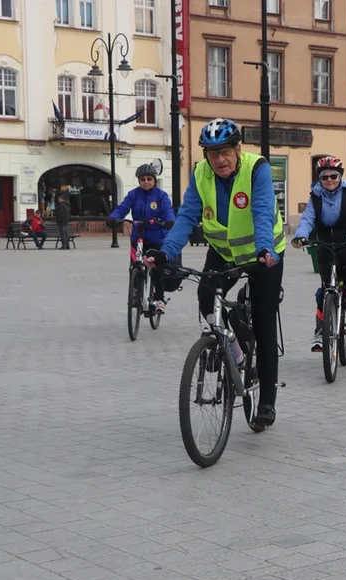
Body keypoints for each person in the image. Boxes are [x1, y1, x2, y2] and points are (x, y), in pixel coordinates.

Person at [151, 118, 285, 430]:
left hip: (262, 254)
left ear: (238, 149)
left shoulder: (257, 168)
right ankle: (235, 352)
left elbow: (263, 211)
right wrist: (166, 252)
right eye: (212, 154)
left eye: (224, 151)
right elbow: (186, 216)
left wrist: (266, 249)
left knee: (264, 323)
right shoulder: (200, 173)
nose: (219, 159)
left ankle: (266, 401)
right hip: (224, 252)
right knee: (205, 296)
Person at [291, 156, 346, 352]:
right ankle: (320, 331)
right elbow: (308, 219)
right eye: (325, 177)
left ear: (340, 176)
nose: (329, 180)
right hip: (324, 243)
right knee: (325, 289)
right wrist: (300, 236)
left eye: (333, 176)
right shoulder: (315, 196)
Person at [107, 163, 177, 311]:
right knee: (134, 265)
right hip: (138, 237)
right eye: (143, 179)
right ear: (139, 181)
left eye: (149, 179)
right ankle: (135, 291)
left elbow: (168, 211)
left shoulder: (161, 196)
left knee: (157, 268)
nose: (146, 182)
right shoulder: (133, 195)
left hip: (157, 237)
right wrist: (114, 217)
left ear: (154, 180)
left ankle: (159, 299)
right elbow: (123, 208)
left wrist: (170, 221)